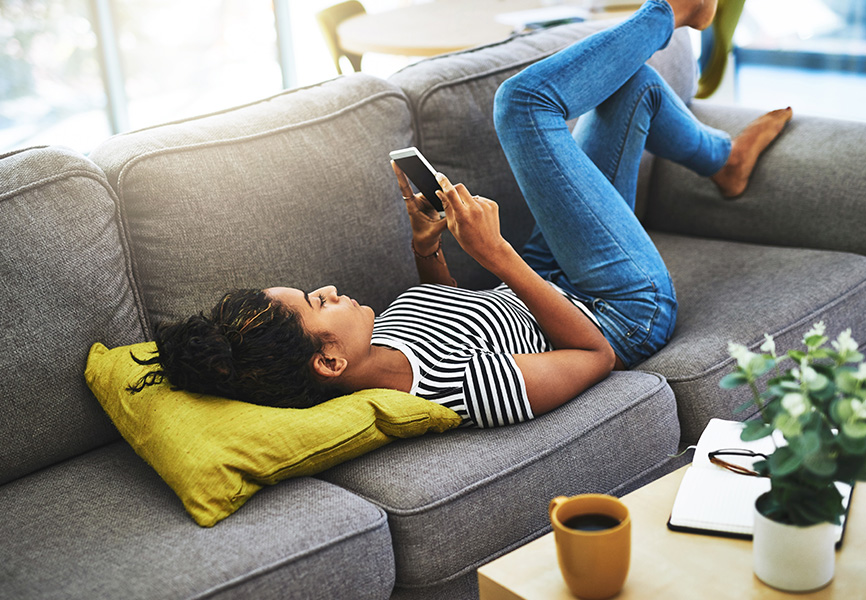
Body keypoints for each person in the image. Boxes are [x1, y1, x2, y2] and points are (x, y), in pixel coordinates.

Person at [132, 0, 791, 428]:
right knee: (522, 105)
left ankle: (723, 162)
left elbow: (454, 315)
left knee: (633, 86)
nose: (327, 288)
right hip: (619, 310)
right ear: (328, 362)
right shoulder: (458, 391)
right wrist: (495, 255)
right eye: (315, 303)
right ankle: (674, 10)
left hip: (547, 275)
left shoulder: (377, 339)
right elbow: (595, 355)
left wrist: (428, 248)